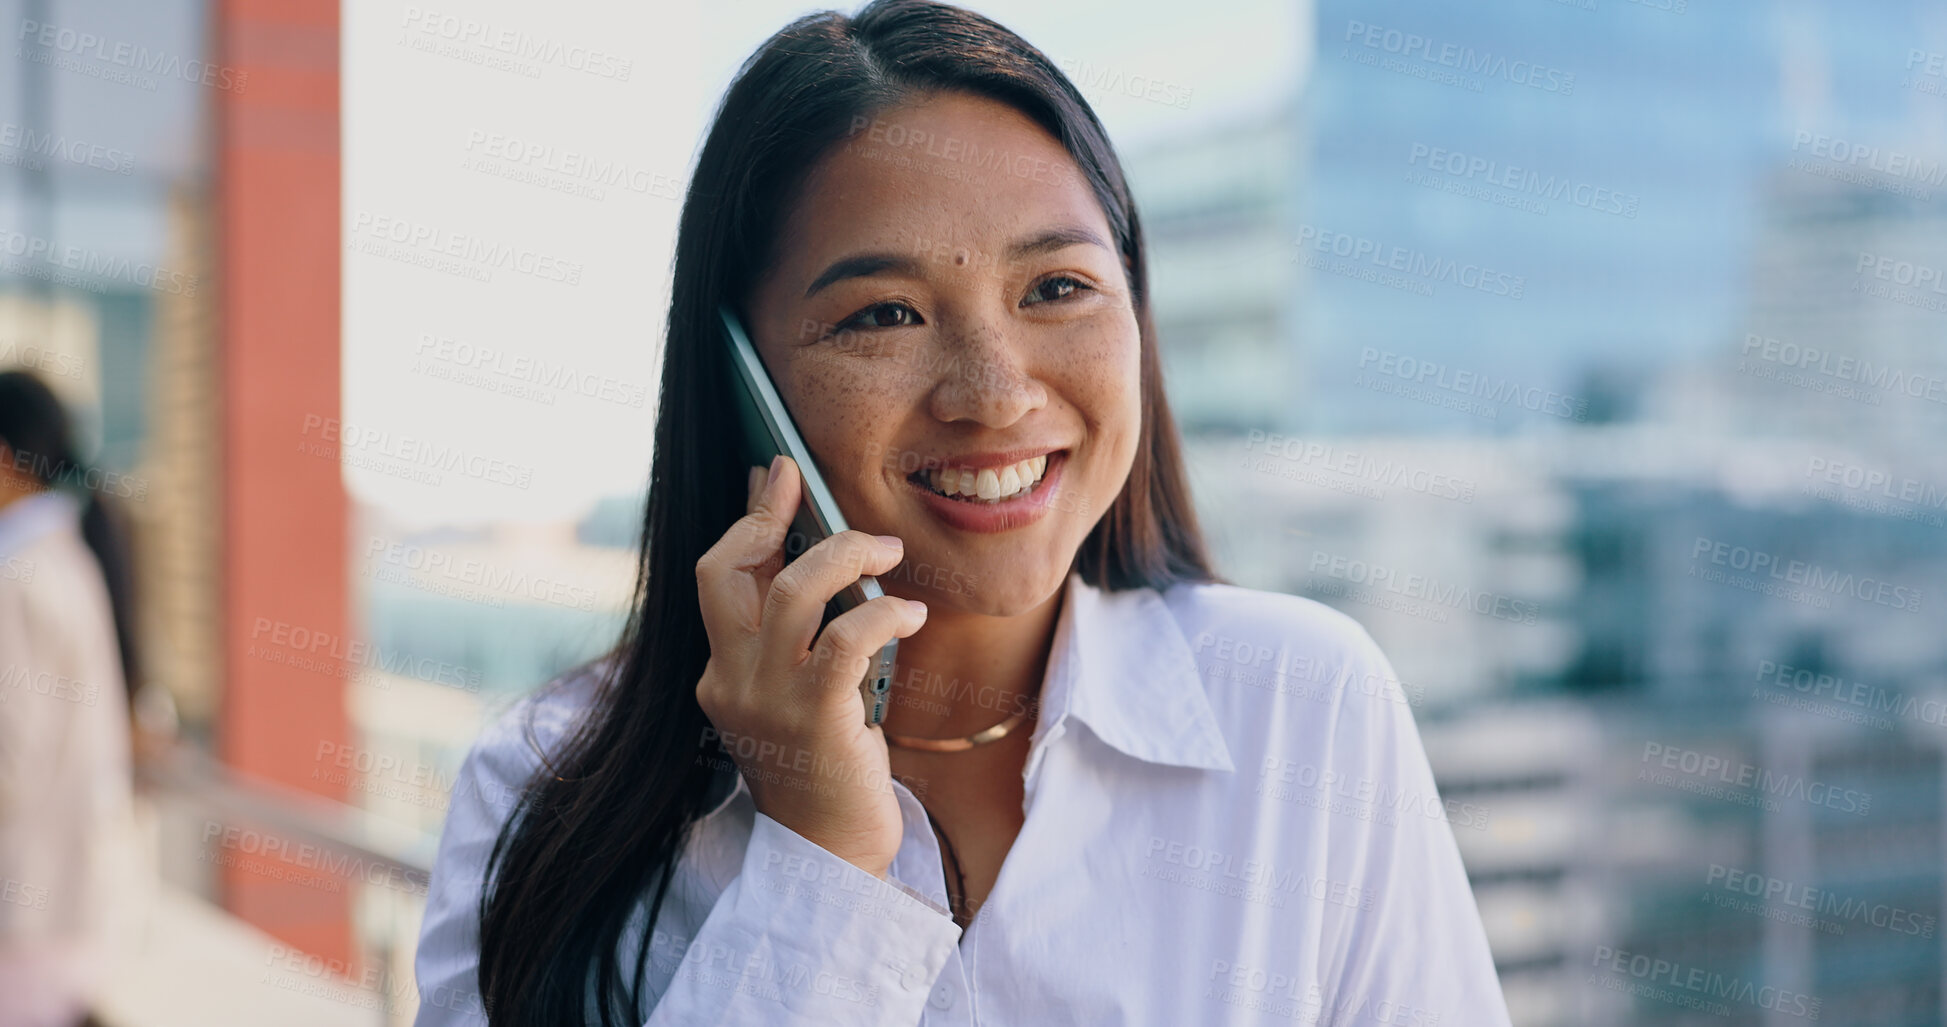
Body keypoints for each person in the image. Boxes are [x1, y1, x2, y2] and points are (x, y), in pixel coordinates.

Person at [412, 2, 1511, 1024]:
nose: (994, 394)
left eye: (1057, 288)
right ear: (743, 383)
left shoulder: (1303, 705)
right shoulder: (543, 781)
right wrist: (819, 855)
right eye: (883, 313)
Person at [0, 370, 138, 1027]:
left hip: (19, 921)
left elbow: (7, 763)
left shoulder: (15, 577)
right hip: (66, 912)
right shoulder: (69, 561)